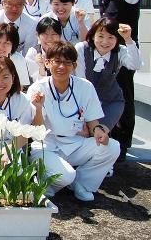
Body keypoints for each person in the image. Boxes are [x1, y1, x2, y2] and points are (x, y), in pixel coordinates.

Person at [27, 42, 120, 201]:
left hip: (75, 143)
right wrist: (38, 107)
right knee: (66, 176)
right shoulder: (37, 88)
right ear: (47, 63)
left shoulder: (85, 87)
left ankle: (82, 184)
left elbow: (93, 120)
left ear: (74, 66)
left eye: (67, 62)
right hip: (47, 145)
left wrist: (98, 131)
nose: (61, 66)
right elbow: (36, 130)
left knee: (112, 146)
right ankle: (52, 183)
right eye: (57, 61)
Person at [95, 0, 148, 159]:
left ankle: (123, 142)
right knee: (110, 93)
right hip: (107, 50)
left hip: (125, 51)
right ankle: (110, 135)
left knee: (124, 93)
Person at [74, 19, 140, 132]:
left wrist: (128, 39)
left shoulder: (120, 51)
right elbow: (81, 81)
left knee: (99, 133)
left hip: (111, 101)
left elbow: (135, 65)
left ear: (117, 39)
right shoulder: (81, 48)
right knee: (84, 133)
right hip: (84, 101)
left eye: (111, 37)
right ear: (93, 36)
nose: (105, 42)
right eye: (100, 36)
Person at [25, 17, 63, 83]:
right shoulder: (33, 52)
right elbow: (37, 83)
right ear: (37, 35)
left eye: (54, 34)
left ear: (60, 36)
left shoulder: (65, 52)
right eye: (45, 34)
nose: (49, 38)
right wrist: (41, 68)